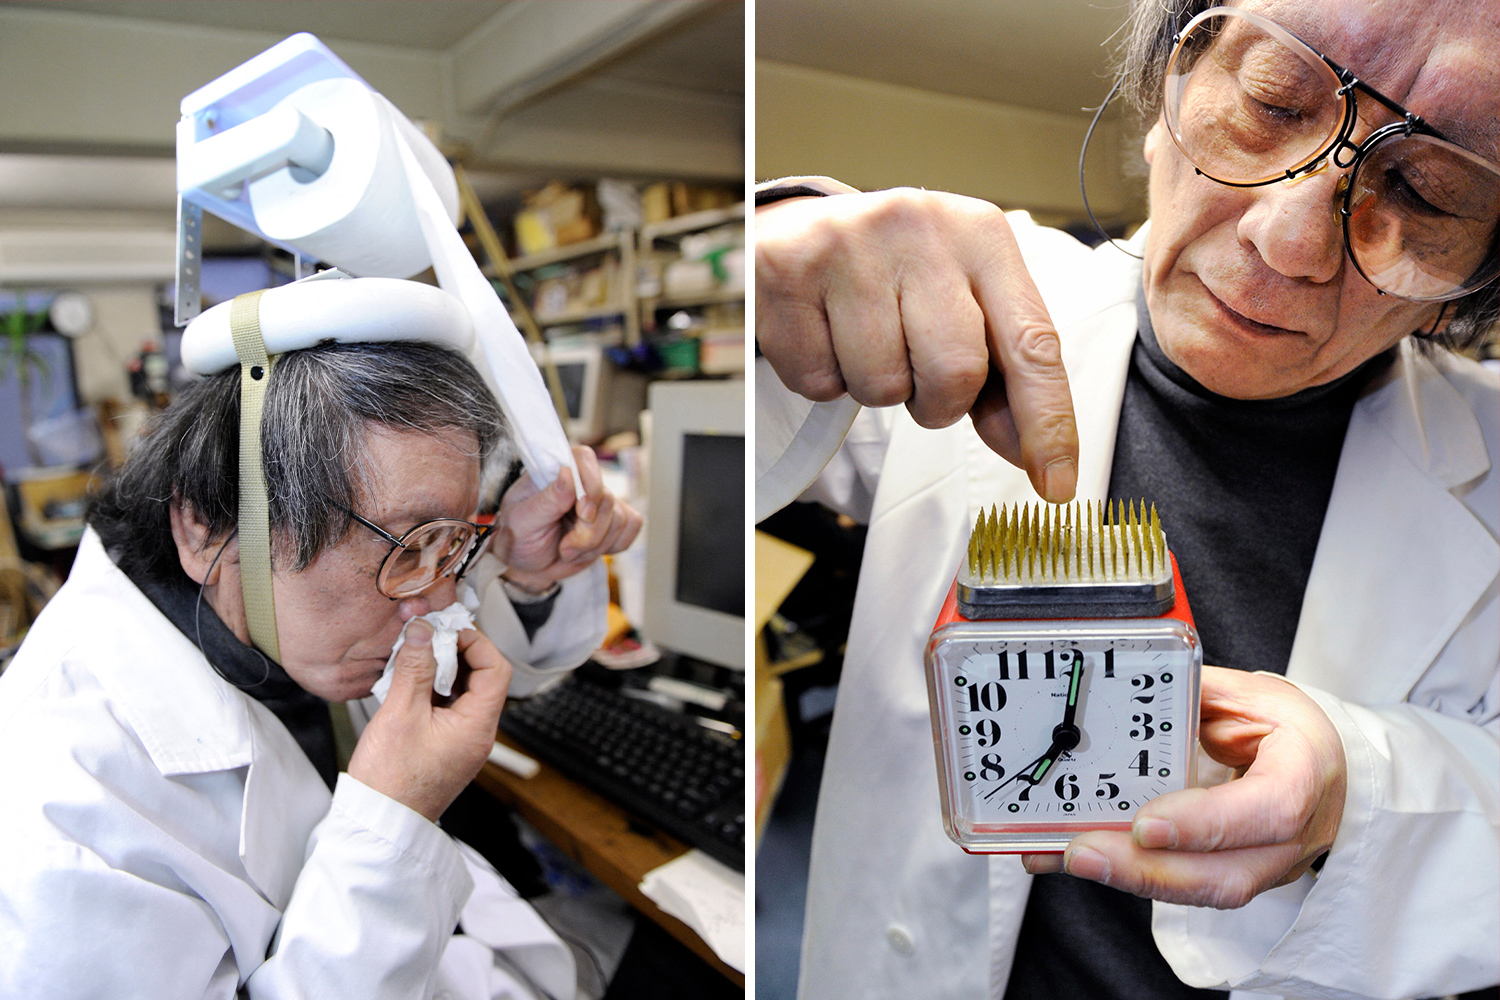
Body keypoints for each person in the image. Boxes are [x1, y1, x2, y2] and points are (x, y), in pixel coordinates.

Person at [755, 0, 1498, 997]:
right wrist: (773, 261)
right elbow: (738, 448)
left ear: (1473, 279)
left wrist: (1359, 798)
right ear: (1166, 93)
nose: (1289, 243)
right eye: (1276, 101)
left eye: (1425, 189)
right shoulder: (964, 308)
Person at [0, 290, 641, 998]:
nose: (439, 604)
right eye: (408, 544)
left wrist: (520, 566)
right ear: (205, 527)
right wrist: (394, 820)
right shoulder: (61, 813)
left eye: (453, 540)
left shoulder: (271, 605)